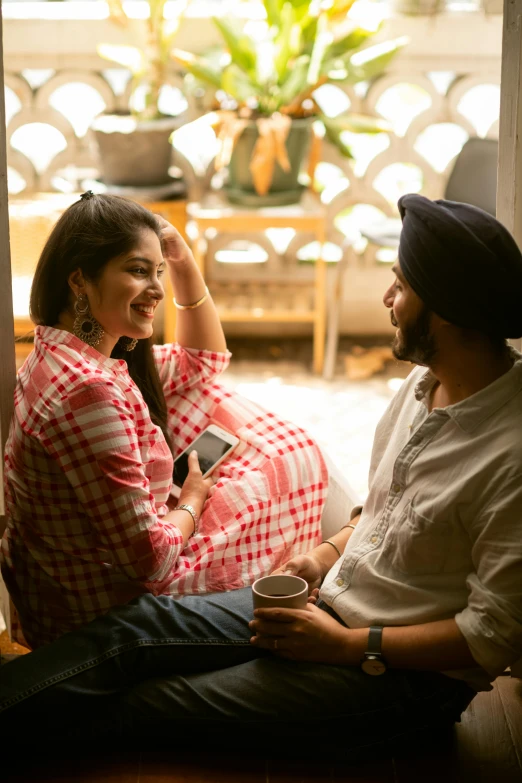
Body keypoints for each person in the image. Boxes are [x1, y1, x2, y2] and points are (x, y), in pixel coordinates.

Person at [1, 194, 522, 759]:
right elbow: (382, 510)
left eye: (400, 285)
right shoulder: (423, 387)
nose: (386, 300)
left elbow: (492, 636)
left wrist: (345, 646)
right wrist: (322, 557)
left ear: (444, 310)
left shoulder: (510, 453)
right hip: (329, 602)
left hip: (401, 678)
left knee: (149, 704)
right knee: (135, 630)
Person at [0, 191, 340, 651]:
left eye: (158, 272)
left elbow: (203, 360)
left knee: (265, 454)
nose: (157, 288)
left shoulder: (61, 354)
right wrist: (193, 502)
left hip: (66, 588)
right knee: (288, 471)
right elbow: (154, 564)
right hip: (109, 616)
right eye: (139, 271)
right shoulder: (87, 391)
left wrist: (179, 258)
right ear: (79, 279)